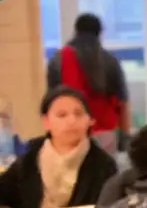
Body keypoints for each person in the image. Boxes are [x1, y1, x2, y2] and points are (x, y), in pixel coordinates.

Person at [0, 87, 117, 208]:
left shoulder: (103, 164)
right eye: (62, 115)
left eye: (78, 114)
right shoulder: (30, 156)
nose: (71, 121)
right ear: (46, 122)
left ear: (90, 120)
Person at [46, 14, 129, 151]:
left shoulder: (59, 59)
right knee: (105, 171)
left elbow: (51, 101)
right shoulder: (110, 60)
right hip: (104, 132)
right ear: (99, 33)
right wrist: (124, 136)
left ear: (76, 31)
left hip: (69, 130)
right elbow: (122, 101)